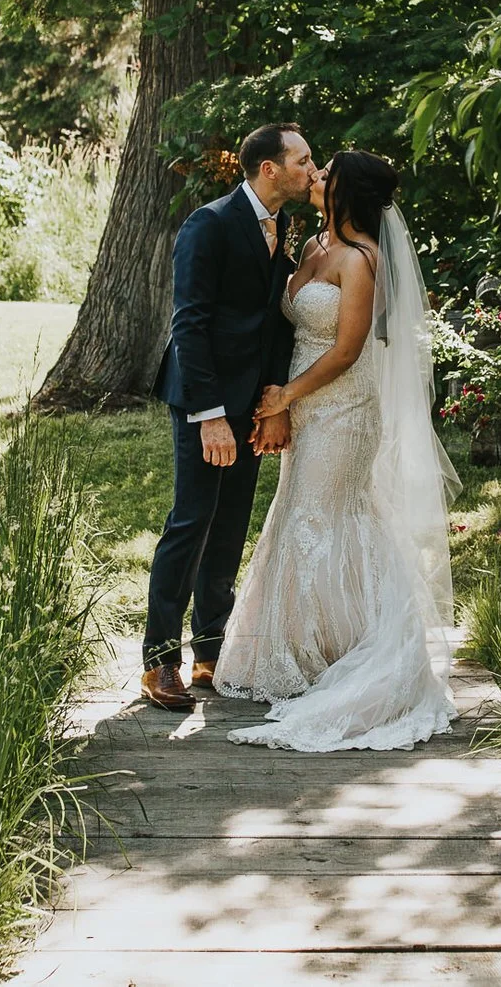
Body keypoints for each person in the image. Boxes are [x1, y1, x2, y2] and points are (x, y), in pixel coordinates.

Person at [214, 150, 459, 751]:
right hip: (305, 400)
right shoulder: (313, 248)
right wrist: (285, 402)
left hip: (344, 406)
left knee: (326, 517)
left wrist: (284, 398)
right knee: (301, 514)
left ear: (348, 192)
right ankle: (310, 650)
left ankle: (348, 651)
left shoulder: (362, 260)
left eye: (326, 173)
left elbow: (349, 350)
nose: (315, 177)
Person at [142, 123, 316, 710]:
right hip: (204, 397)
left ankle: (209, 651)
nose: (310, 170)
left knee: (231, 523)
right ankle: (158, 659)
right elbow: (188, 322)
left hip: (252, 403)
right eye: (302, 160)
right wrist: (209, 415)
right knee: (192, 519)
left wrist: (274, 404)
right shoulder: (209, 223)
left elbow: (272, 320)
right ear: (270, 168)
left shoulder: (284, 225)